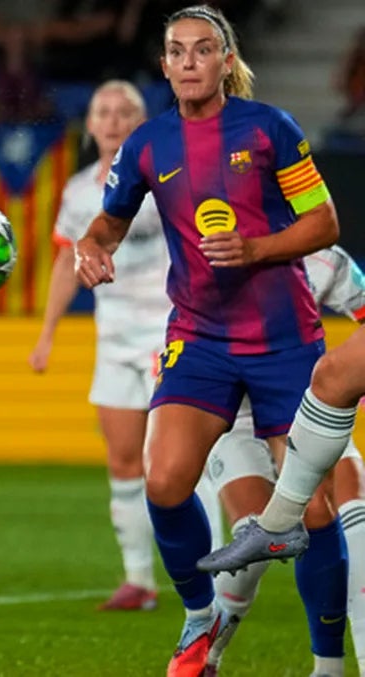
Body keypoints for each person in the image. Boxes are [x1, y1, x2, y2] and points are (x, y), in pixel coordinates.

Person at [74, 5, 341, 675]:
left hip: (285, 340)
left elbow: (325, 224)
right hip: (199, 337)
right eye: (177, 51)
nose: (190, 61)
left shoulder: (270, 128)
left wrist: (253, 249)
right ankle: (200, 612)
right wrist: (90, 246)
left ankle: (328, 663)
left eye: (203, 50)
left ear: (227, 61)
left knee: (313, 508)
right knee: (162, 479)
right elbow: (108, 224)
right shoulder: (146, 144)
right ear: (164, 66)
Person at [29, 79, 224, 613]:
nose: (113, 121)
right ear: (89, 125)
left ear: (142, 123)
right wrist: (47, 334)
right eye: (104, 112)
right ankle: (138, 581)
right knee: (122, 460)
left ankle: (214, 570)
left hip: (173, 332)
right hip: (113, 338)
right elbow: (67, 265)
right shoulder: (76, 193)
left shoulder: (168, 176)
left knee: (182, 460)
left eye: (125, 112)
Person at [203, 245, 364, 675]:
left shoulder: (323, 259)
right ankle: (204, 654)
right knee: (254, 543)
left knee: (354, 517)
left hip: (306, 412)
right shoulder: (204, 250)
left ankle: (330, 668)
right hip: (233, 416)